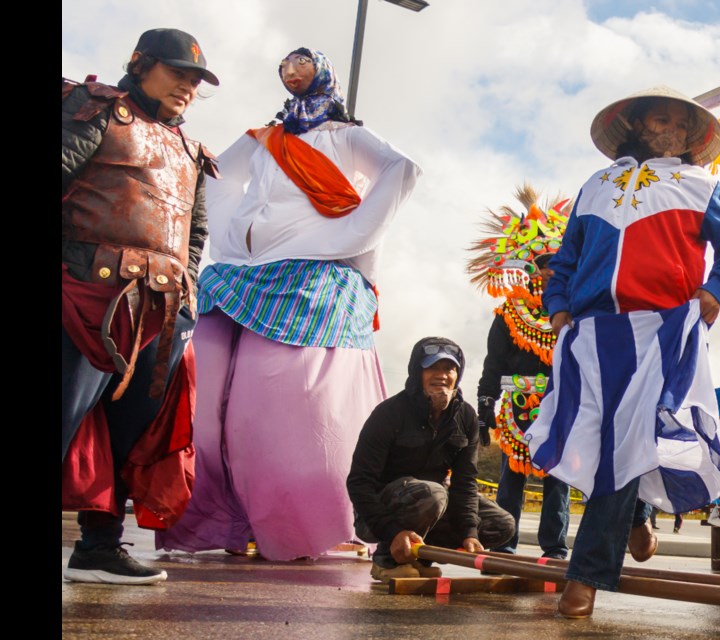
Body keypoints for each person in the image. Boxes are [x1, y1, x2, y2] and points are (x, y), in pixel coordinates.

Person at [156, 48, 421, 560]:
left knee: (273, 404)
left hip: (310, 271)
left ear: (322, 74)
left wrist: (348, 230)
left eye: (303, 63)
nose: (293, 72)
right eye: (286, 66)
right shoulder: (266, 137)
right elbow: (206, 171)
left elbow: (401, 170)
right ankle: (219, 522)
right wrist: (228, 230)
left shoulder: (347, 135)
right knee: (200, 401)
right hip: (238, 274)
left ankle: (300, 524)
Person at [526, 86, 720, 617]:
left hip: (663, 330)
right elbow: (566, 258)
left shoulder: (703, 185)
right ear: (636, 124)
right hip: (589, 331)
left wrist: (714, 290)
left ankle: (584, 577)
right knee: (581, 437)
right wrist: (558, 308)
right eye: (663, 117)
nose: (674, 125)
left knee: (631, 433)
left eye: (682, 121)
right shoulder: (594, 186)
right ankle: (634, 519)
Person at [62, 28, 220, 584]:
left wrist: (188, 297)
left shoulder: (191, 151)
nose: (188, 87)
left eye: (196, 80)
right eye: (178, 72)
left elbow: (195, 236)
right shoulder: (95, 108)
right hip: (85, 299)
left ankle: (98, 548)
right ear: (142, 64)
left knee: (129, 436)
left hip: (161, 315)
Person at [346, 337, 516, 582]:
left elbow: (465, 482)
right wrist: (392, 532)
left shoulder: (465, 416)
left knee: (502, 524)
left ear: (458, 374)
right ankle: (387, 557)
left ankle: (420, 557)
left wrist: (469, 532)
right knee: (433, 495)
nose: (441, 375)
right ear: (417, 372)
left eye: (449, 368)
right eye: (432, 367)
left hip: (434, 502)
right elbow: (359, 482)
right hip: (378, 515)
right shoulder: (389, 413)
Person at [467, 185, 573, 560]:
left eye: (556, 266)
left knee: (558, 478)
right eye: (543, 265)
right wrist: (484, 409)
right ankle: (504, 544)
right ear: (530, 267)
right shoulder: (509, 314)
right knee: (512, 477)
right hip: (517, 404)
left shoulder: (574, 313)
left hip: (561, 402)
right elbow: (492, 365)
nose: (548, 272)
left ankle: (555, 549)